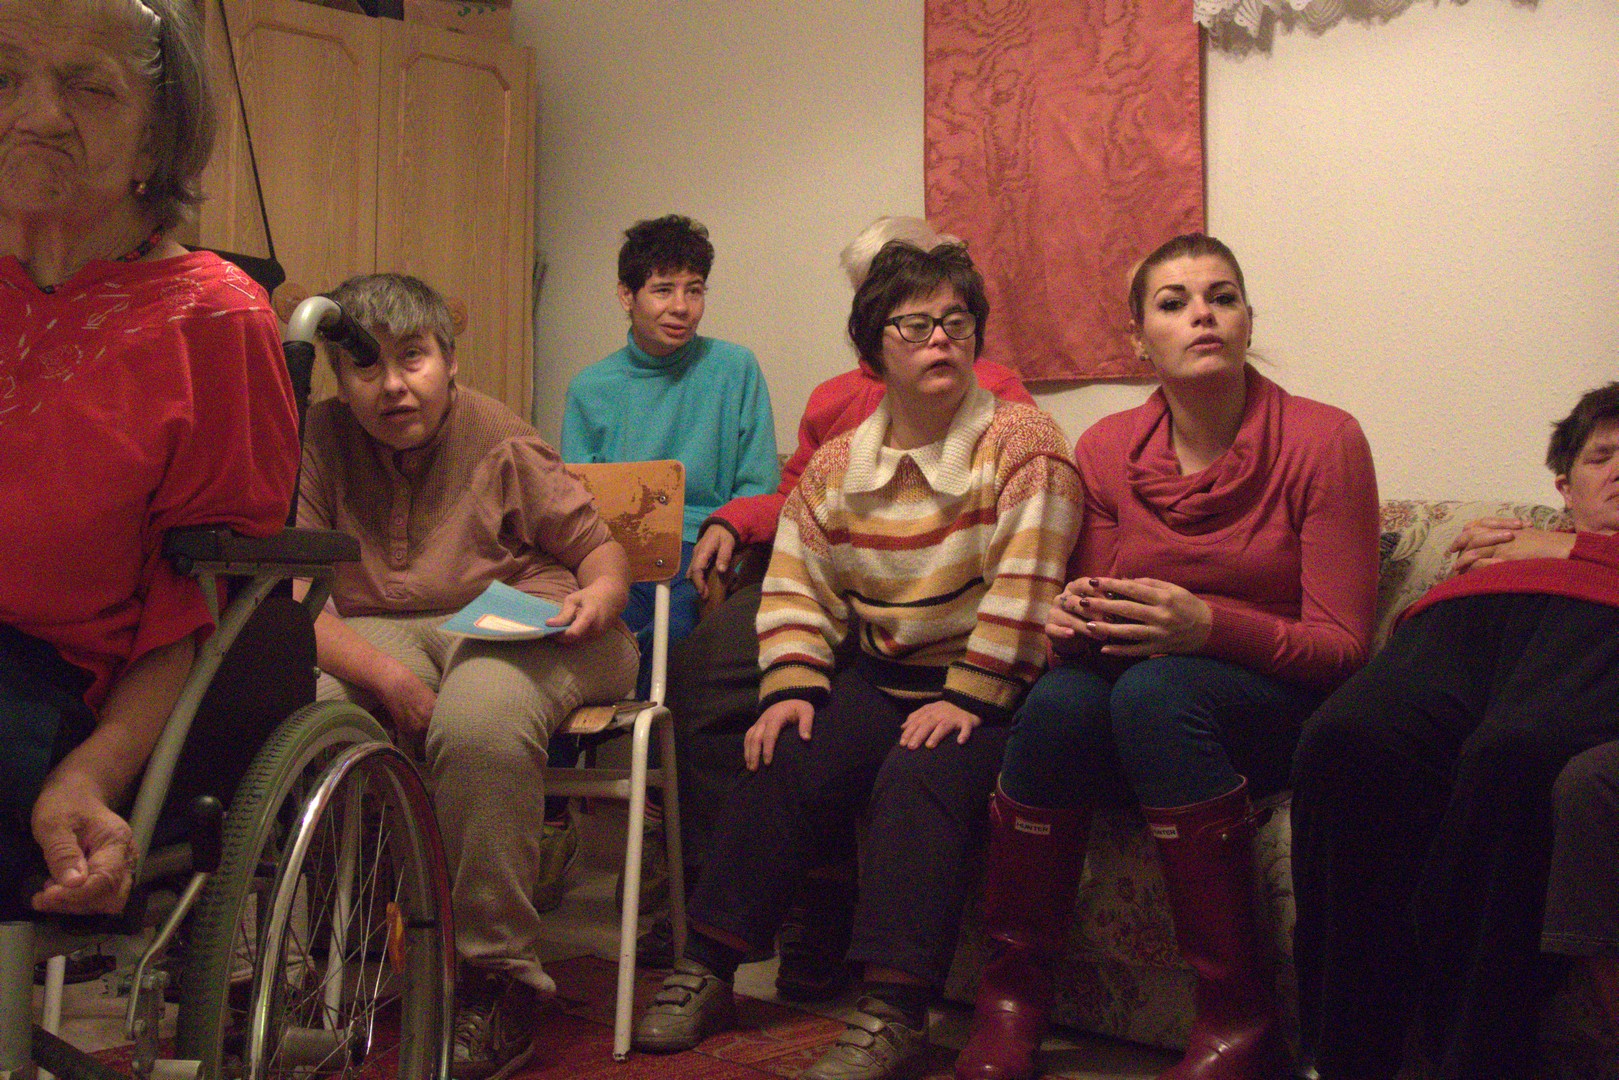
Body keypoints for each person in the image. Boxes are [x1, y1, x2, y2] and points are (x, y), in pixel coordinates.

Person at [632, 240, 1082, 1080]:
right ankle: (708, 966)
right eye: (916, 325)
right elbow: (797, 586)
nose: (940, 339)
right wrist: (792, 683)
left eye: (956, 323)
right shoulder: (840, 464)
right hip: (882, 672)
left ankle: (892, 1012)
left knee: (920, 772)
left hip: (992, 687)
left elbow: (1028, 586)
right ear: (873, 347)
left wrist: (969, 697)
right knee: (784, 747)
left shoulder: (1024, 442)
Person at [956, 234, 1381, 1080]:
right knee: (1059, 703)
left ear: (1247, 319)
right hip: (1142, 701)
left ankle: (1235, 1013)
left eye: (1221, 297)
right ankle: (1011, 998)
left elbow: (1341, 648)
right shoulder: (1107, 448)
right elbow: (1098, 606)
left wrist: (1206, 626)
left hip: (1274, 705)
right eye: (1174, 302)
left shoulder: (1323, 439)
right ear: (1138, 339)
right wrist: (1071, 619)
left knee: (1156, 693)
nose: (1202, 315)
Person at [297, 273, 638, 1080]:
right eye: (366, 366)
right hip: (378, 627)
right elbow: (295, 601)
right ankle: (347, 946)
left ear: (448, 361)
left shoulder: (499, 436)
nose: (393, 385)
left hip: (526, 615)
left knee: (478, 719)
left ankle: (496, 976)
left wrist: (598, 598)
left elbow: (601, 554)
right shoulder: (316, 439)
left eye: (412, 358)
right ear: (338, 378)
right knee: (317, 711)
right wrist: (386, 678)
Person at [0, 0, 298, 919]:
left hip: (53, 690)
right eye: (3, 77)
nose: (36, 114)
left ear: (159, 136)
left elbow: (195, 602)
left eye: (88, 87)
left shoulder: (211, 318)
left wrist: (92, 774)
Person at [1291, 380, 1619, 1080]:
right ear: (1564, 488)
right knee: (1343, 739)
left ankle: (1477, 1056)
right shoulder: (1510, 545)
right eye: (1602, 456)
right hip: (1464, 626)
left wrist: (1575, 553)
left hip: (1599, 623)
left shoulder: (1544, 542)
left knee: (1514, 755)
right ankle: (1343, 1056)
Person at [562, 213, 780, 690]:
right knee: (576, 635)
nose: (681, 307)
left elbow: (759, 485)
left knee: (674, 636)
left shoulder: (734, 369)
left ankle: (650, 734)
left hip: (701, 547)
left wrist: (724, 533)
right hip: (615, 555)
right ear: (627, 296)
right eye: (663, 290)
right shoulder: (591, 388)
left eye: (694, 290)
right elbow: (576, 504)